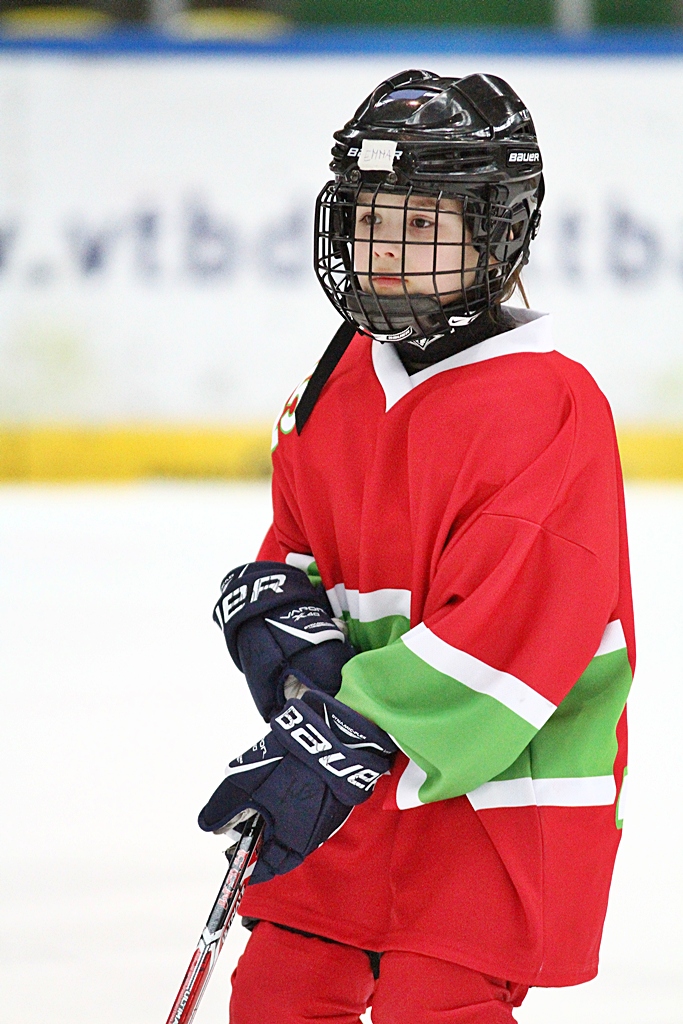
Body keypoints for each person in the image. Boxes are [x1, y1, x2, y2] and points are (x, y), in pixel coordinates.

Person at [199, 69, 635, 1023]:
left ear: (495, 233)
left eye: (423, 223)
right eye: (369, 219)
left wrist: (334, 734)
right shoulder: (334, 384)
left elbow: (508, 639)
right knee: (278, 993)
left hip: (496, 791)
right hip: (361, 776)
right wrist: (281, 616)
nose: (386, 249)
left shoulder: (548, 406)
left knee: (432, 1004)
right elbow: (302, 545)